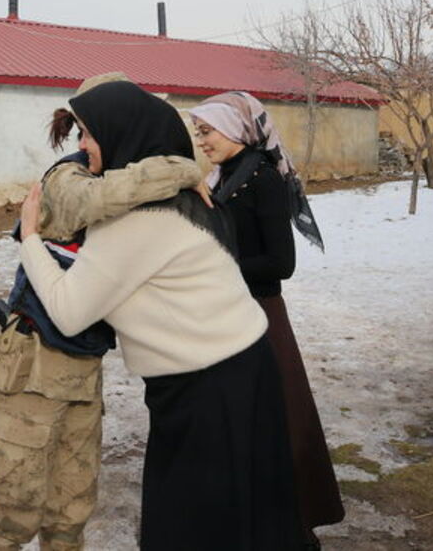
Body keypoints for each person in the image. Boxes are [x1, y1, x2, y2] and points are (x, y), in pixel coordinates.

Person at [18, 80, 306, 549]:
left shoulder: (135, 220)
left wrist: (30, 237)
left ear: (120, 133)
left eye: (88, 134)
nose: (82, 146)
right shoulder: (183, 193)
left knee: (194, 525)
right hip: (242, 368)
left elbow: (69, 311)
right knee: (247, 516)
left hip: (209, 388)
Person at [0, 72, 206, 550]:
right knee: (16, 509)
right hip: (34, 365)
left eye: (90, 132)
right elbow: (99, 200)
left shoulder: (138, 192)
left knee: (70, 509)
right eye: (80, 131)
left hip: (83, 365)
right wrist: (186, 170)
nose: (81, 143)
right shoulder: (67, 178)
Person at [189, 91, 342, 546]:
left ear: (235, 127)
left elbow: (280, 263)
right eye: (198, 133)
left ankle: (292, 525)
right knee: (241, 424)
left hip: (261, 319)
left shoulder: (262, 177)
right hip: (231, 315)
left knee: (280, 422)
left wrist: (217, 264)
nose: (202, 141)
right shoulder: (224, 175)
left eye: (207, 131)